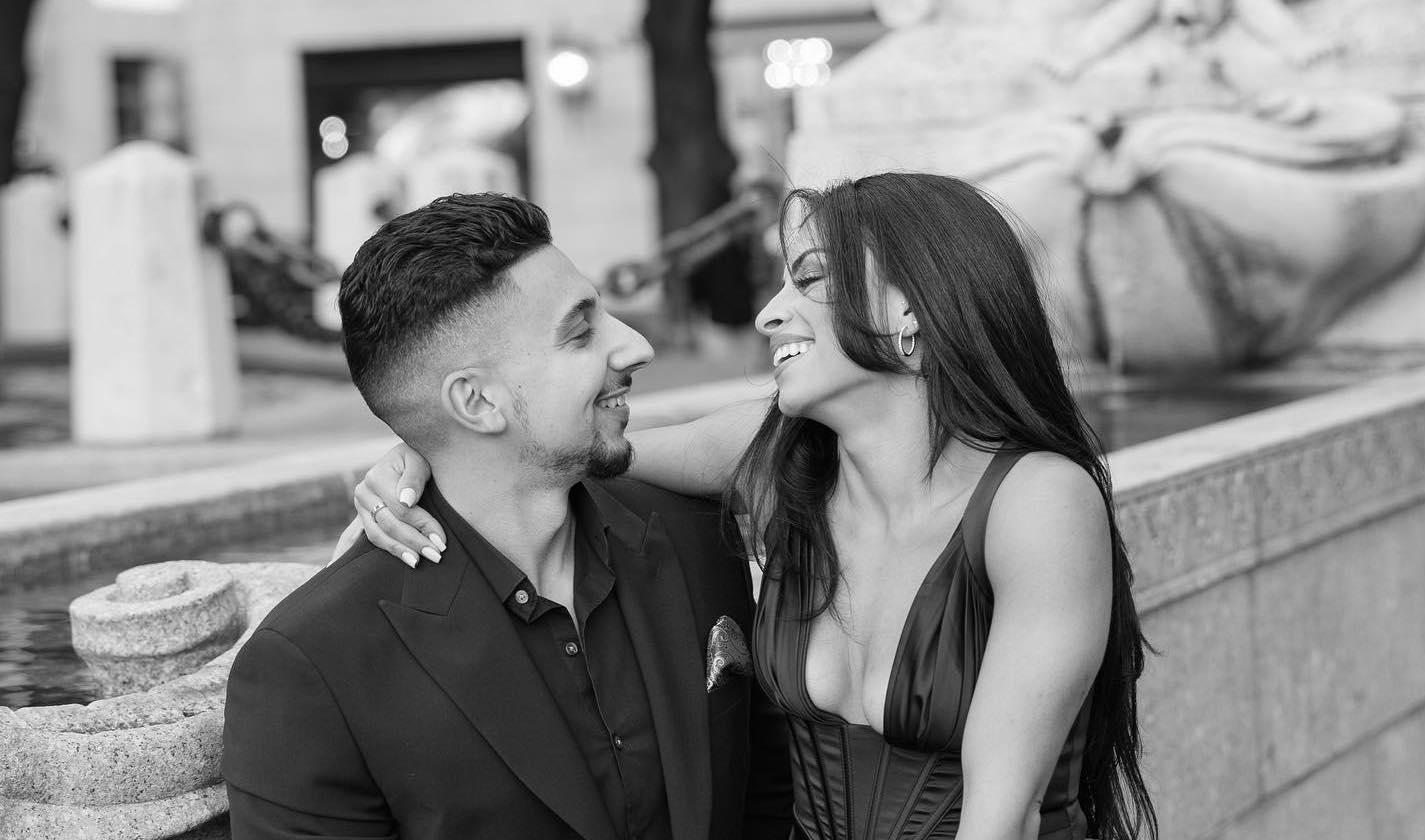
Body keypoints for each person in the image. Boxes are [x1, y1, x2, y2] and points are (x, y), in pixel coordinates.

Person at [356, 174, 1159, 840]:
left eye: (809, 280)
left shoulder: (1037, 502)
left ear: (911, 310)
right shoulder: (783, 462)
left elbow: (1004, 817)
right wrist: (429, 452)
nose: (769, 314)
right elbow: (580, 447)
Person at [222, 193, 793, 840]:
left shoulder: (693, 531)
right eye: (580, 333)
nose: (637, 346)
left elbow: (767, 797)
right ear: (475, 402)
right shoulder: (312, 667)